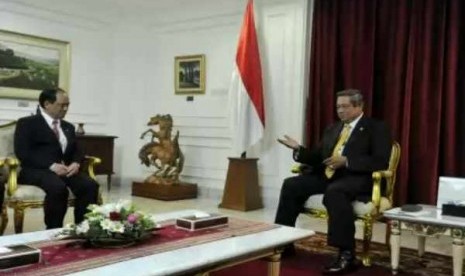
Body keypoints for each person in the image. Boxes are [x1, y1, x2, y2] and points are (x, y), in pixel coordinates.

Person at [275, 89, 391, 274]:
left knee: (335, 192)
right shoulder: (333, 128)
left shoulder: (376, 127)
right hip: (328, 175)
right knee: (291, 184)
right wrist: (299, 149)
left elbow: (380, 160)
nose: (340, 111)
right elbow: (319, 157)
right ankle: (284, 242)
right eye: (338, 107)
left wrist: (347, 161)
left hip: (357, 178)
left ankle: (347, 254)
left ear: (359, 106)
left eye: (345, 106)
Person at [14, 88, 98, 229]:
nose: (65, 108)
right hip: (36, 170)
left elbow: (77, 149)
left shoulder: (68, 127)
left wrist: (76, 163)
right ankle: (53, 230)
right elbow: (23, 152)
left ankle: (83, 228)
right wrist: (51, 166)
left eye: (68, 105)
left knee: (89, 185)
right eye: (61, 105)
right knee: (58, 188)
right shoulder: (27, 123)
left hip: (64, 170)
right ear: (47, 104)